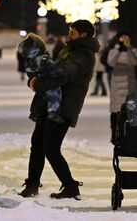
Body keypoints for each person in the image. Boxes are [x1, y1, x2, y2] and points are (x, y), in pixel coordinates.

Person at [18, 19, 99, 200]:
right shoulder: (70, 50)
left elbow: (62, 75)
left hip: (63, 108)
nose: (69, 34)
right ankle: (32, 185)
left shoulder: (84, 55)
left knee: (51, 148)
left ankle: (70, 187)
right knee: (37, 144)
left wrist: (38, 84)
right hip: (50, 104)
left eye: (73, 32)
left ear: (83, 34)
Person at [18, 33, 64, 123]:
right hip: (45, 82)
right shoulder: (42, 58)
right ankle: (49, 113)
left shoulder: (31, 59)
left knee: (41, 95)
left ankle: (35, 112)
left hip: (40, 83)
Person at [107, 31, 137, 143]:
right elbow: (111, 62)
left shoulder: (133, 50)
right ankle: (114, 135)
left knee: (130, 110)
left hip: (130, 84)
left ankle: (130, 135)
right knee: (116, 111)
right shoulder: (113, 50)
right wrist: (119, 50)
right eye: (122, 37)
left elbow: (135, 62)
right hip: (117, 84)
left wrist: (128, 49)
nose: (123, 40)